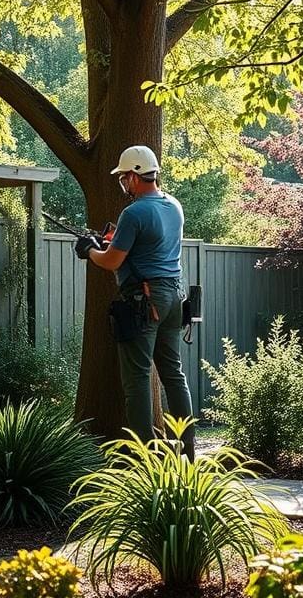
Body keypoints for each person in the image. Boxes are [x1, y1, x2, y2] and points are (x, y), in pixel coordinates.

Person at [75, 145, 195, 459]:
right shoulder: (173, 206)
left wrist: (89, 250)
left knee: (139, 378)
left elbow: (113, 261)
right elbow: (146, 246)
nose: (123, 183)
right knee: (173, 373)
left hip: (144, 300)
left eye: (124, 176)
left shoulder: (134, 212)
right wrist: (108, 242)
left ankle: (146, 459)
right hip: (173, 298)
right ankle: (188, 451)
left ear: (135, 175)